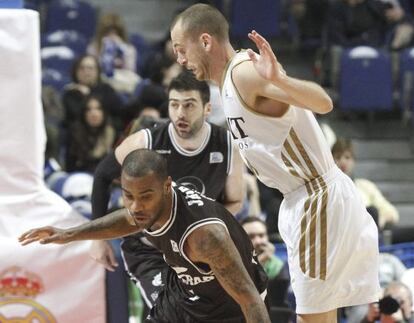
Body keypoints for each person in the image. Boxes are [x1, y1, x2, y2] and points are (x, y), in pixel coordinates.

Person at [169, 4, 380, 322]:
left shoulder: (243, 73)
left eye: (181, 49)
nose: (180, 60)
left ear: (206, 41)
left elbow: (322, 103)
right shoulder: (229, 83)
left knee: (313, 318)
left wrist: (281, 80)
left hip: (316, 197)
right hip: (301, 199)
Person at [19, 149, 270, 323]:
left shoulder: (205, 236)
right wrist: (69, 234)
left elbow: (249, 299)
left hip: (229, 311)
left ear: (166, 186)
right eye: (129, 195)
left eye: (145, 196)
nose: (136, 205)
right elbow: (127, 220)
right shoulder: (148, 207)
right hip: (185, 296)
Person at [90, 71, 244, 312]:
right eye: (174, 105)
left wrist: (205, 228)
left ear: (207, 109)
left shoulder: (227, 145)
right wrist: (97, 239)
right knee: (173, 312)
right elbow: (101, 176)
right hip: (149, 248)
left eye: (189, 105)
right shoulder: (146, 141)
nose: (180, 113)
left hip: (196, 252)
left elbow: (235, 200)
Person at [332, 138, 399, 230]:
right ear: (332, 161)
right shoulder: (330, 190)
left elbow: (391, 212)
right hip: (348, 234)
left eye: (347, 157)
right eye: (338, 157)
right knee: (371, 212)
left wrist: (381, 219)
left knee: (372, 212)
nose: (343, 161)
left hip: (374, 232)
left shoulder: (365, 186)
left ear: (354, 161)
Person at [241, 216, 290, 308]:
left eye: (261, 235)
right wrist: (261, 261)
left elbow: (277, 300)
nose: (258, 241)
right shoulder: (235, 262)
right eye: (251, 236)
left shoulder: (277, 265)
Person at [65, 94, 116, 173]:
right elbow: (70, 166)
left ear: (104, 112)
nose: (94, 113)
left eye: (98, 109)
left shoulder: (110, 133)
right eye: (89, 110)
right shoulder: (74, 133)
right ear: (84, 113)